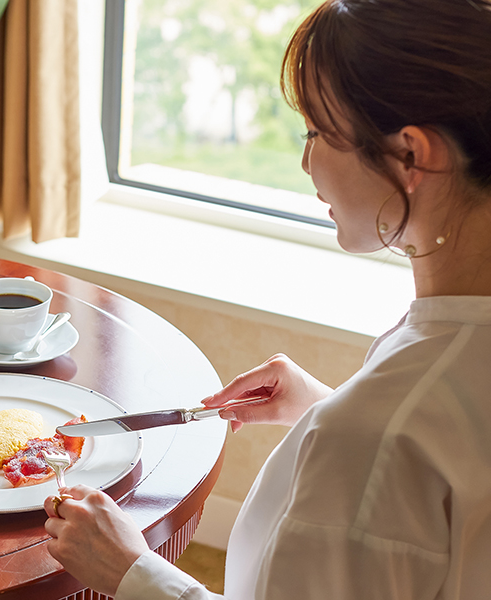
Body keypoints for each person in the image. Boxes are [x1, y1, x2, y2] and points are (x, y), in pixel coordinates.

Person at [42, 0, 491, 597]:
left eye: (317, 131)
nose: (306, 161)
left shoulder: (376, 434)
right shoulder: (430, 376)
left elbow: (392, 449)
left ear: (410, 154)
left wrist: (132, 573)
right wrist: (322, 409)